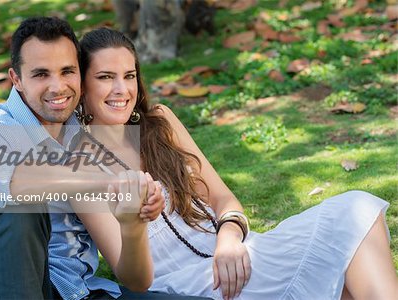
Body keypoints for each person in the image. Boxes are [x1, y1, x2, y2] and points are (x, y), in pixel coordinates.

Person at [76, 27, 398, 300]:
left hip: (236, 254)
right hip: (190, 285)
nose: (122, 89)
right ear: (82, 85)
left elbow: (223, 199)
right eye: (106, 77)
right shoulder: (78, 167)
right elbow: (131, 277)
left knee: (355, 217)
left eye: (129, 76)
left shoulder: (159, 122)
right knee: (345, 273)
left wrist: (228, 239)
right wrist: (133, 224)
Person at [0, 17, 209, 300]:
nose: (57, 87)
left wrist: (133, 216)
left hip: (77, 290)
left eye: (67, 71)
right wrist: (110, 180)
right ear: (16, 80)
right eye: (41, 74)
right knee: (23, 205)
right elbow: (13, 181)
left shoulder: (83, 132)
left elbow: (136, 279)